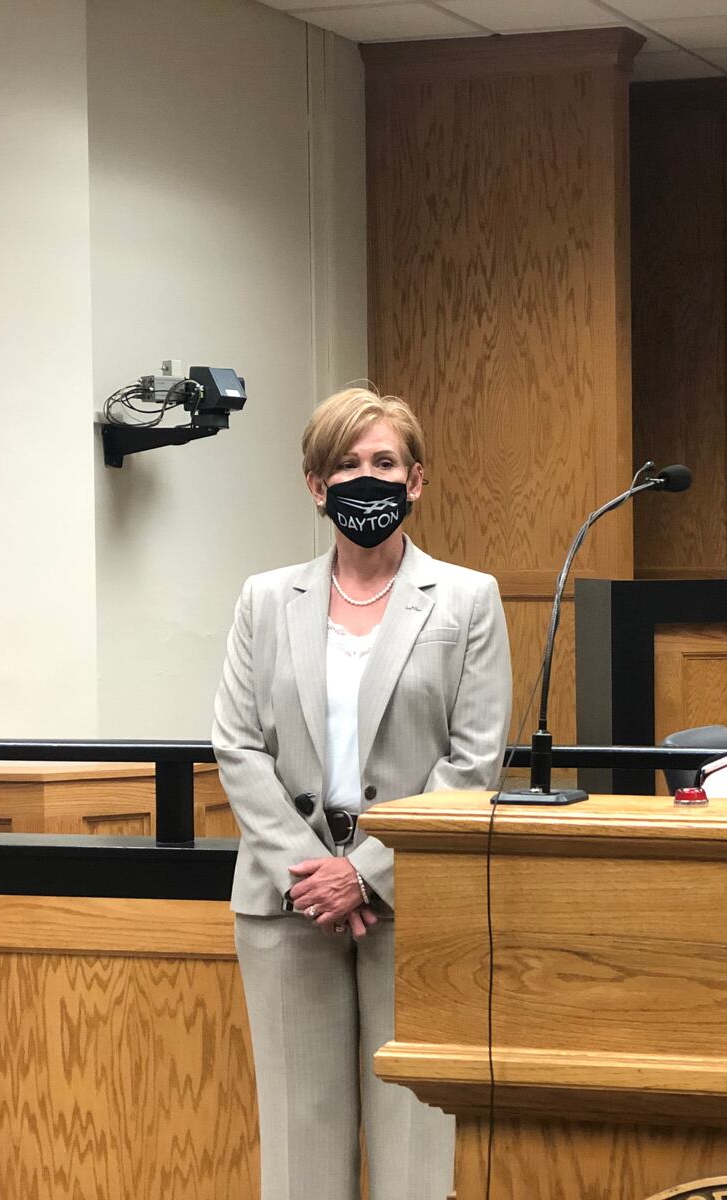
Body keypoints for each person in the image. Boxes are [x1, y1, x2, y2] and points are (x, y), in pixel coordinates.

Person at [212, 387, 512, 1200]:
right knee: (298, 1145)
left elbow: (475, 759)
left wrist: (369, 872)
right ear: (316, 485)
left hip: (413, 903)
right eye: (346, 464)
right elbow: (236, 744)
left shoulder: (467, 599)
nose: (365, 478)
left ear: (415, 481)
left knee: (418, 1141)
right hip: (288, 903)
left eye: (383, 462)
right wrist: (313, 872)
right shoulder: (266, 599)